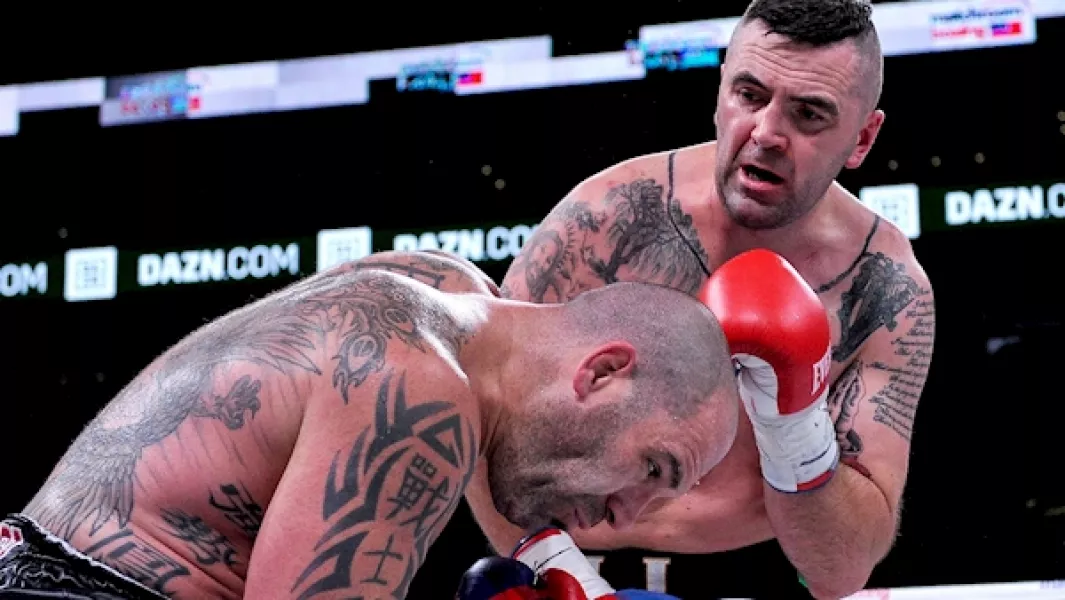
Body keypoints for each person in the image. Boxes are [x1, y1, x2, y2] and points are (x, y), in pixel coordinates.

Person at [463, 0, 936, 598]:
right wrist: (558, 567)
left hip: (759, 581)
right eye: (750, 94)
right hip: (569, 568)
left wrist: (792, 421)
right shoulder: (604, 222)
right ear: (720, 94)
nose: (766, 133)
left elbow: (843, 566)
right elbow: (481, 421)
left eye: (809, 114)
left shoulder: (885, 292)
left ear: (863, 138)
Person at [0, 250, 740, 600]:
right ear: (602, 372)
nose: (629, 515)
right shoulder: (419, 399)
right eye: (654, 469)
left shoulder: (439, 289)